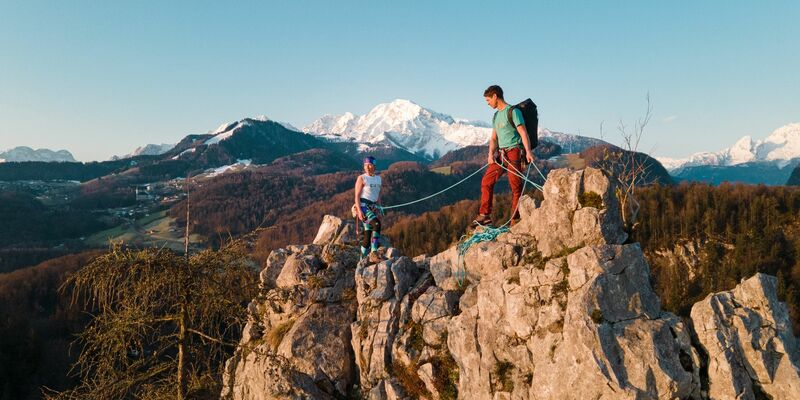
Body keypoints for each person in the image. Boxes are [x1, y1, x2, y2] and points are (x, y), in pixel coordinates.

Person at [474, 85, 534, 226]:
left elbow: (523, 133)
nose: (488, 103)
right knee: (486, 181)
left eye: (488, 100)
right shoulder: (496, 116)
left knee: (515, 185)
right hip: (501, 154)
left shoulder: (513, 112)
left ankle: (515, 218)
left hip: (514, 152)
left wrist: (528, 152)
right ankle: (485, 215)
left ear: (495, 96)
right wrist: (490, 154)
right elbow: (494, 138)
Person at [354, 156, 386, 263]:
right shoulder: (362, 178)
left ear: (374, 166)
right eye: (365, 165)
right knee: (376, 224)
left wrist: (380, 206)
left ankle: (361, 260)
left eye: (370, 165)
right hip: (363, 207)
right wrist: (359, 210)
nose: (367, 167)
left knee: (367, 234)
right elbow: (357, 196)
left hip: (373, 207)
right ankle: (374, 252)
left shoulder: (378, 179)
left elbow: (378, 194)